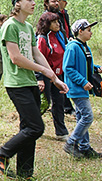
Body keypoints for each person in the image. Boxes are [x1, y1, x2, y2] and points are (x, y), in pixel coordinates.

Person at [0, 0, 68, 180]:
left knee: (27, 128)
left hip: (30, 81)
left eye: (34, 0)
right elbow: (15, 58)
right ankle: (1, 154)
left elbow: (37, 54)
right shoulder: (10, 26)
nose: (34, 3)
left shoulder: (28, 28)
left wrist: (54, 78)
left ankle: (25, 173)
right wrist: (43, 71)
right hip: (16, 84)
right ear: (18, 3)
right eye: (29, 0)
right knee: (36, 127)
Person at [62, 19, 102, 159]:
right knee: (87, 116)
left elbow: (85, 65)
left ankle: (84, 147)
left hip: (83, 87)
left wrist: (96, 68)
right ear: (80, 31)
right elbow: (68, 68)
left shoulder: (84, 47)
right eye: (88, 30)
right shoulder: (72, 47)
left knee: (81, 116)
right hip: (76, 88)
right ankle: (71, 142)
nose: (91, 33)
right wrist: (83, 81)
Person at [36, 12, 68, 140]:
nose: (58, 24)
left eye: (58, 21)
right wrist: (39, 78)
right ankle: (30, 125)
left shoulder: (59, 36)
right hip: (46, 76)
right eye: (54, 22)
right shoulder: (43, 39)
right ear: (47, 24)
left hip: (58, 75)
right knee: (45, 103)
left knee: (59, 103)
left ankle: (61, 132)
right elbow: (37, 58)